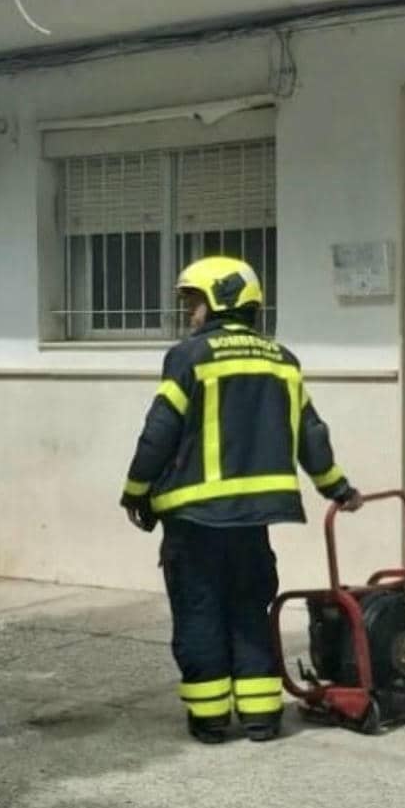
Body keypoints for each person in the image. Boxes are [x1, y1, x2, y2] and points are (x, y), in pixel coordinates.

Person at [120, 256, 362, 744]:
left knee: (200, 612)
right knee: (251, 611)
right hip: (253, 521)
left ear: (221, 301)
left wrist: (135, 491)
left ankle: (210, 719)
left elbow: (158, 432)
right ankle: (261, 716)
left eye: (195, 303)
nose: (191, 315)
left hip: (194, 520)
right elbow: (311, 436)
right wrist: (338, 488)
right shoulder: (281, 360)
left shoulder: (190, 357)